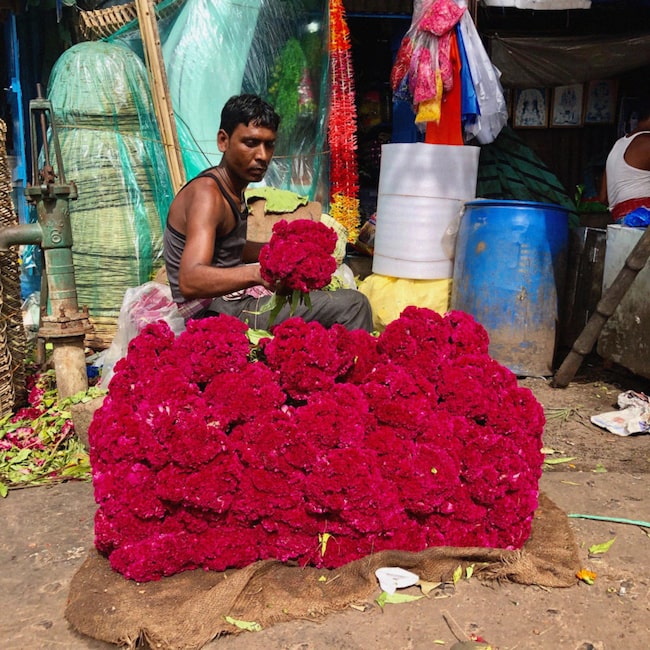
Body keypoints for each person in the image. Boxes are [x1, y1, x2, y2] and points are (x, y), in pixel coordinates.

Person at [163, 93, 374, 331]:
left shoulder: (232, 187)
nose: (262, 156)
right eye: (251, 143)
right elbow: (190, 280)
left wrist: (285, 253)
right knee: (354, 305)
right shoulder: (208, 196)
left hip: (228, 301)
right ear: (223, 141)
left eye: (269, 144)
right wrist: (258, 273)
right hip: (213, 312)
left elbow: (228, 247)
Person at [598, 98, 650, 223]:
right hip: (644, 220)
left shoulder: (618, 145)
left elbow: (603, 197)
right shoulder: (647, 141)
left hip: (621, 222)